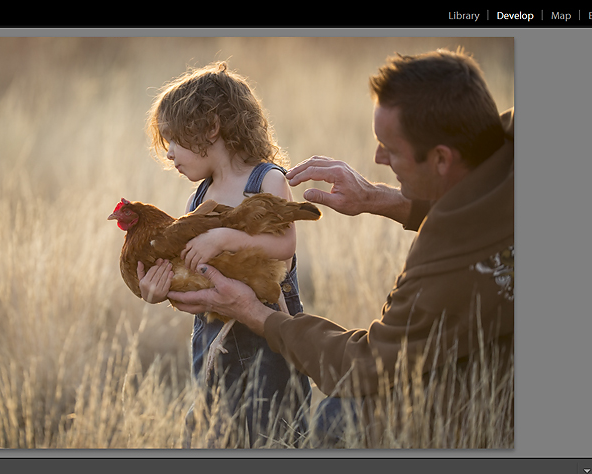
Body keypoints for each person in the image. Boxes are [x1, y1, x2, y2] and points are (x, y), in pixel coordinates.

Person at [168, 50, 514, 447]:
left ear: (440, 159)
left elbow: (365, 364)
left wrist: (255, 313)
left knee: (339, 418)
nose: (378, 158)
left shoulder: (441, 271)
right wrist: (378, 198)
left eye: (390, 149)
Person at [142, 62, 312, 447]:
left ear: (211, 128)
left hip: (270, 331)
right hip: (214, 335)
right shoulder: (198, 198)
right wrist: (158, 292)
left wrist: (223, 238)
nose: (169, 153)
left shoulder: (266, 179)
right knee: (215, 429)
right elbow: (195, 270)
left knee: (273, 430)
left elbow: (285, 246)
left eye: (174, 139)